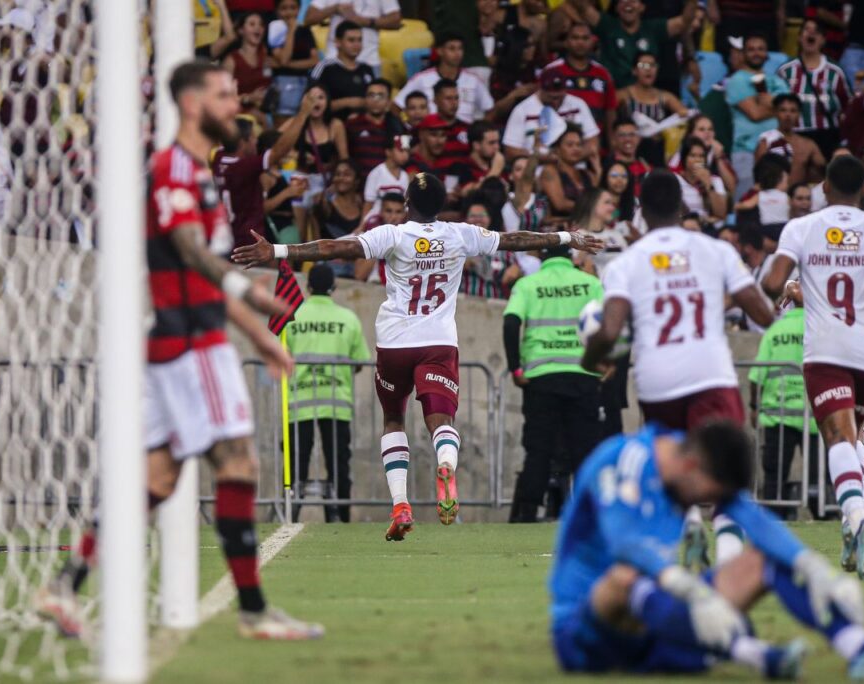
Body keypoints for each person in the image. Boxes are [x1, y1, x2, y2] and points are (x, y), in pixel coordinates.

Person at [38, 61, 323, 640]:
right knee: (238, 464)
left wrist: (257, 332)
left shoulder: (196, 173)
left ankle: (63, 587)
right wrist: (249, 296)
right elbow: (192, 253)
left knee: (158, 479)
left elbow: (204, 273)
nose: (234, 105)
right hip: (192, 344)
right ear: (193, 104)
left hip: (187, 337)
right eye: (223, 95)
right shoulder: (173, 168)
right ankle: (253, 611)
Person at [232, 172, 604, 540]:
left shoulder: (392, 234)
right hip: (439, 342)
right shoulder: (461, 233)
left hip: (394, 343)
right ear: (442, 206)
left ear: (407, 205)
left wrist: (278, 251)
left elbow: (335, 248)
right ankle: (445, 463)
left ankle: (400, 504)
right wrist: (568, 237)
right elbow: (515, 240)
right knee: (441, 419)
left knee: (394, 418)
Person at [548, 420, 864, 679]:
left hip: (660, 625)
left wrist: (813, 568)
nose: (711, 506)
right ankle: (757, 655)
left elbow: (755, 520)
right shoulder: (619, 460)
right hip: (585, 635)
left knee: (764, 558)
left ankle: (859, 647)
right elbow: (623, 542)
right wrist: (691, 591)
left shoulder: (690, 468)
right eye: (710, 498)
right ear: (692, 466)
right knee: (626, 577)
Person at [582, 168, 775, 573]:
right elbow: (762, 311)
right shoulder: (715, 251)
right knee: (724, 478)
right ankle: (726, 566)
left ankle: (688, 524)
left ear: (639, 211)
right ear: (683, 206)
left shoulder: (625, 263)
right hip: (710, 374)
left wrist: (590, 358)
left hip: (658, 382)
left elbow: (611, 329)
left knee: (675, 467)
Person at [761, 155, 864, 581]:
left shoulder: (806, 228)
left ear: (826, 189)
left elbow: (772, 282)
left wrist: (795, 289)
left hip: (831, 351)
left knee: (838, 438)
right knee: (854, 433)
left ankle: (857, 520)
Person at [503, 243, 604, 523]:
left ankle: (528, 512)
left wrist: (515, 369)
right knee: (584, 449)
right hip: (583, 375)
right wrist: (607, 364)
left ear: (543, 257)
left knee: (539, 449)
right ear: (570, 256)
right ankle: (588, 514)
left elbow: (511, 323)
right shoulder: (590, 283)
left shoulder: (528, 284)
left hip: (541, 377)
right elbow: (609, 324)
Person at [285, 264, 371, 522]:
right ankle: (341, 517)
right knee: (339, 466)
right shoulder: (348, 319)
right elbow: (359, 361)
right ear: (334, 287)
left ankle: (289, 514)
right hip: (337, 404)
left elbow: (280, 356)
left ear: (308, 287)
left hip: (299, 403)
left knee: (295, 465)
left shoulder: (291, 316)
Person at [213, 93, 317, 248]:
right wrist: (303, 114)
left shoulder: (219, 158)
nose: (256, 141)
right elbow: (279, 150)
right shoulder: (244, 167)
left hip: (226, 238)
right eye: (253, 138)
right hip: (247, 242)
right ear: (243, 142)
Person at [749, 302, 821, 518]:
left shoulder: (775, 331)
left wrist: (754, 406)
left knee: (774, 475)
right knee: (819, 475)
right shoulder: (817, 328)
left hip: (777, 415)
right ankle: (824, 515)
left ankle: (774, 516)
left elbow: (756, 375)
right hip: (814, 416)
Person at [569, 0, 697, 89]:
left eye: (633, 1)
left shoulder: (653, 29)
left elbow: (685, 20)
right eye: (623, 1)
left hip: (645, 96)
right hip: (611, 94)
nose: (628, 4)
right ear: (617, 7)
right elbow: (581, 6)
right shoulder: (607, 25)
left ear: (642, 7)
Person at [726, 33, 791, 199]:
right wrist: (774, 104)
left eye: (761, 49)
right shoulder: (736, 81)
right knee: (746, 199)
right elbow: (755, 114)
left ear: (767, 54)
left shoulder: (777, 81)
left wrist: (764, 101)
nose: (756, 53)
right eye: (751, 49)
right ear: (743, 54)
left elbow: (790, 110)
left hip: (776, 150)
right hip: (746, 150)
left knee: (778, 200)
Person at [776, 18, 851, 158]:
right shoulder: (785, 71)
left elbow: (848, 106)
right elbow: (776, 104)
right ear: (799, 38)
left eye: (816, 31)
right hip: (795, 134)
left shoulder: (835, 72)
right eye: (806, 30)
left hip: (827, 135)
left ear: (823, 40)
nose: (811, 33)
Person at [392, 33, 495, 125]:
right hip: (431, 135)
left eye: (460, 48)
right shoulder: (421, 79)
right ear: (439, 51)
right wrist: (409, 127)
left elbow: (490, 110)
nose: (457, 53)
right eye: (452, 48)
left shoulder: (474, 80)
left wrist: (477, 134)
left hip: (463, 140)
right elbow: (395, 107)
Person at [502, 66, 601, 159]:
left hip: (576, 168)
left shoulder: (578, 105)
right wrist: (543, 157)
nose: (555, 102)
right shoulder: (523, 110)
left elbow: (593, 143)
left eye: (559, 97)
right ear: (540, 89)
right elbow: (510, 151)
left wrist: (570, 157)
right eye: (551, 97)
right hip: (537, 171)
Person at [545, 22, 618, 141]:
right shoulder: (551, 71)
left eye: (585, 38)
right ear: (566, 42)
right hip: (560, 144)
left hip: (596, 145)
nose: (580, 43)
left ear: (592, 41)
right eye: (575, 38)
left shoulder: (603, 74)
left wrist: (612, 144)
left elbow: (610, 111)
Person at [616, 52, 690, 167]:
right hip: (630, 151)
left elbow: (685, 115)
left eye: (652, 65)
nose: (648, 69)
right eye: (643, 66)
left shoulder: (665, 97)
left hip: (657, 153)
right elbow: (609, 117)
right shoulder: (623, 95)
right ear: (634, 70)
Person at [304, 0, 401, 78]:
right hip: (334, 60)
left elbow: (396, 20)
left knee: (371, 100)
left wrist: (364, 21)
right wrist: (335, 8)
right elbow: (309, 18)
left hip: (369, 60)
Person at [289, 83, 348, 203]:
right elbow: (273, 143)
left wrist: (337, 184)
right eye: (311, 98)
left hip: (326, 182)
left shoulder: (335, 125)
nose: (316, 102)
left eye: (321, 98)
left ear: (327, 102)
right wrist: (297, 155)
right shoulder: (296, 122)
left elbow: (344, 159)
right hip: (300, 180)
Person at [309, 20, 375, 122]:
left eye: (359, 40)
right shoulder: (325, 68)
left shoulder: (367, 69)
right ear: (338, 42)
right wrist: (347, 102)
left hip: (362, 129)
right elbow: (310, 103)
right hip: (330, 127)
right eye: (351, 40)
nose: (356, 45)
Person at [755, 93, 826, 186]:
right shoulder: (766, 141)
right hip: (774, 196)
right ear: (776, 113)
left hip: (799, 197)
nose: (788, 115)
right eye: (783, 110)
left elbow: (823, 170)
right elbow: (758, 175)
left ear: (799, 114)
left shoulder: (808, 144)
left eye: (793, 111)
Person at [267, 0, 319, 123]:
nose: (289, 12)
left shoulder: (305, 31)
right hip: (282, 84)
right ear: (277, 11)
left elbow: (314, 61)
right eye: (284, 8)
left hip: (304, 83)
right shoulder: (274, 30)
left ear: (299, 9)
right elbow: (284, 57)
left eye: (293, 8)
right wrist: (290, 31)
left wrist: (288, 64)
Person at [347, 78, 406, 178]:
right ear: (365, 99)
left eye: (380, 96)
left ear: (388, 101)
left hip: (389, 183)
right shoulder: (352, 124)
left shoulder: (398, 126)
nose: (376, 100)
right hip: (360, 184)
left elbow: (405, 158)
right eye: (371, 95)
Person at [539, 125, 597, 223]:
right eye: (570, 145)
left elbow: (597, 200)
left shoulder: (588, 175)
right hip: (559, 230)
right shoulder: (550, 171)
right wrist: (590, 207)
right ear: (557, 148)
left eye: (579, 145)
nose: (576, 149)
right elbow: (560, 204)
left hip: (585, 228)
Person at [669, 114, 738, 197]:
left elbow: (732, 188)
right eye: (701, 129)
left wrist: (719, 158)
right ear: (690, 134)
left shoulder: (717, 152)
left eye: (710, 129)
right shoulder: (682, 153)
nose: (707, 133)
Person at [222, 12, 271, 118]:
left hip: (265, 112)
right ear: (241, 30)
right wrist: (249, 98)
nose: (258, 28)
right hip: (238, 113)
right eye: (252, 24)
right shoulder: (231, 60)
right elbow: (223, 96)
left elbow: (268, 80)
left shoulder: (265, 56)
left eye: (261, 25)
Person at [489, 25, 541, 123]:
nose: (532, 49)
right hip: (507, 123)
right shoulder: (500, 74)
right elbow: (494, 112)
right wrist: (515, 95)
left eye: (533, 45)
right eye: (527, 46)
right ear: (516, 46)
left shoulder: (536, 69)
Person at [674, 136, 728, 227]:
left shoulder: (715, 181)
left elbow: (721, 214)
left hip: (710, 229)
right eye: (693, 156)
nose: (698, 160)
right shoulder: (675, 180)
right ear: (684, 159)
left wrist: (709, 185)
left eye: (701, 156)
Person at [362, 135, 411, 223]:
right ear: (388, 152)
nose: (405, 155)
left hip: (398, 223)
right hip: (375, 222)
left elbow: (405, 205)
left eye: (407, 151)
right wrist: (362, 225)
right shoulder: (376, 173)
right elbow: (368, 204)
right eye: (401, 150)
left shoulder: (405, 176)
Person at [460, 120, 505, 193]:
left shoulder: (502, 166)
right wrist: (495, 171)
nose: (497, 147)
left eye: (497, 142)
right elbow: (468, 194)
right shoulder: (462, 167)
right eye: (491, 143)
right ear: (476, 145)